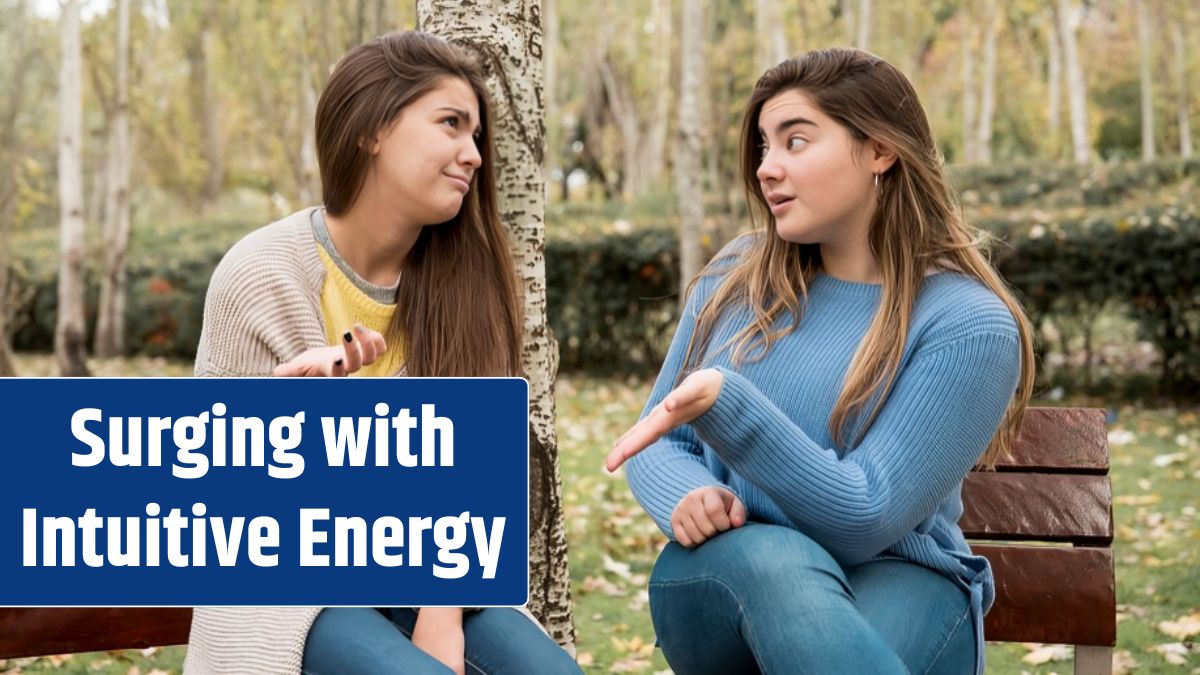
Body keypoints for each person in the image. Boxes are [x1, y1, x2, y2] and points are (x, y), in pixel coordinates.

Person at [606, 47, 1035, 675]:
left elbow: (867, 518)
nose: (766, 169)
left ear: (880, 150)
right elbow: (655, 437)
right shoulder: (736, 278)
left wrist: (732, 407)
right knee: (773, 558)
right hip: (725, 571)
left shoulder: (967, 324)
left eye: (795, 141)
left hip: (901, 579)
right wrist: (690, 492)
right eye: (763, 147)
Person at [184, 31, 580, 675]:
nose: (473, 154)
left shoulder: (472, 280)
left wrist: (443, 615)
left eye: (476, 136)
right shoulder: (260, 274)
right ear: (372, 128)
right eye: (450, 124)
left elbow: (478, 478)